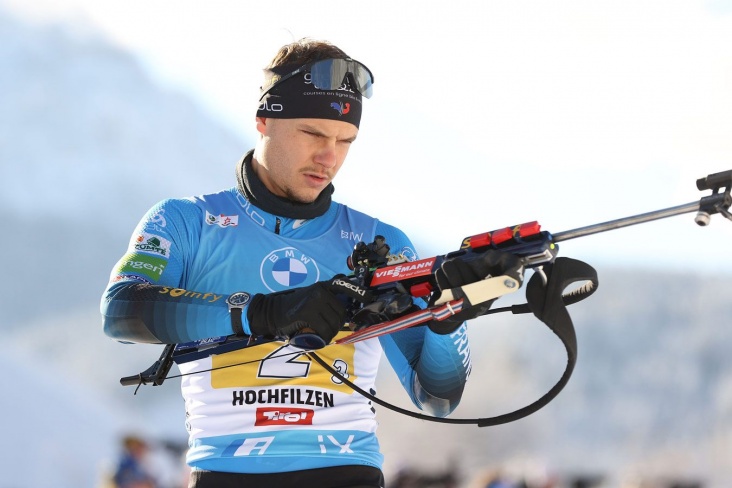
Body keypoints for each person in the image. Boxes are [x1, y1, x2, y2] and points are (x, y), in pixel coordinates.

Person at [101, 38, 523, 488]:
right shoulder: (186, 221)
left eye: (345, 141)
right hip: (227, 475)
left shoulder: (381, 242)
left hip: (348, 474)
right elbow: (121, 311)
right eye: (313, 134)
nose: (330, 157)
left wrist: (448, 317)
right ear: (264, 120)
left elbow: (438, 397)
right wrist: (263, 313)